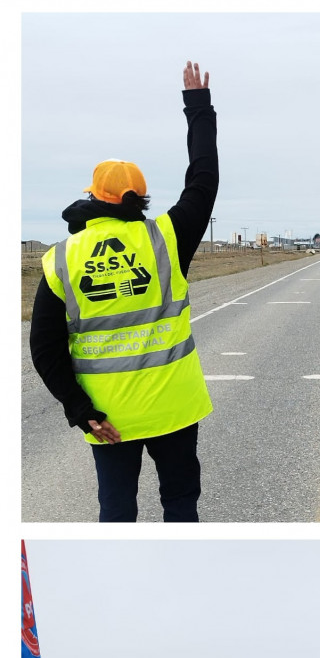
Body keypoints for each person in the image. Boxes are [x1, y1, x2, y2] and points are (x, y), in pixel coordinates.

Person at [30, 61, 217, 522]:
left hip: (108, 419)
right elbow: (204, 177)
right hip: (174, 408)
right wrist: (198, 106)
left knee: (115, 512)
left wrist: (79, 409)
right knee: (180, 503)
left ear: (94, 197)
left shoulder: (62, 258)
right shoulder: (167, 237)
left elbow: (44, 349)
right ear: (142, 199)